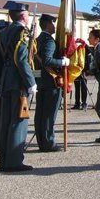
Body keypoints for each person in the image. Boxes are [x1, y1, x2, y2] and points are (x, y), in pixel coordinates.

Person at [0, 1, 36, 172]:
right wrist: (30, 82)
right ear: (23, 16)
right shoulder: (22, 32)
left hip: (5, 80)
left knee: (5, 122)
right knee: (18, 122)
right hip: (18, 81)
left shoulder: (3, 32)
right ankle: (14, 161)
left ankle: (4, 161)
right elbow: (21, 60)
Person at [34, 14, 70, 152]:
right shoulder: (49, 41)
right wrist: (62, 62)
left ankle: (41, 141)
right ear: (48, 24)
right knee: (49, 114)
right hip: (50, 81)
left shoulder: (38, 40)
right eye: (53, 23)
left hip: (41, 81)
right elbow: (47, 60)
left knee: (40, 113)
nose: (55, 26)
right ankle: (48, 143)